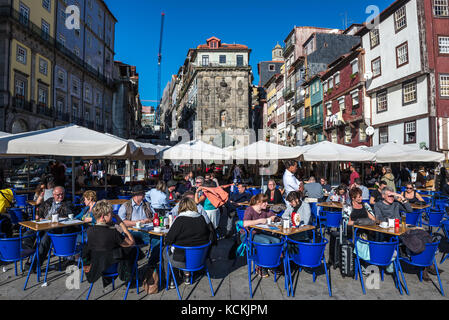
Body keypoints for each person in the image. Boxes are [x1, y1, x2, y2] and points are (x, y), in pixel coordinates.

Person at [82, 200, 136, 288]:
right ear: (103, 216)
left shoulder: (89, 231)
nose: (113, 215)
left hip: (96, 267)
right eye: (111, 214)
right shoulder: (113, 232)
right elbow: (131, 243)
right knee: (134, 250)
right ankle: (131, 278)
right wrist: (122, 226)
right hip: (112, 266)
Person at [23, 186, 77, 270]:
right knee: (28, 234)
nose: (60, 196)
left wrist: (60, 206)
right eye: (58, 195)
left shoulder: (67, 202)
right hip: (43, 224)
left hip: (56, 228)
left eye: (62, 194)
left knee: (44, 240)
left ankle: (36, 264)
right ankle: (30, 253)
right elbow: (40, 209)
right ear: (53, 194)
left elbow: (70, 213)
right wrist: (40, 217)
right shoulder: (49, 201)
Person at [163, 197, 211, 287]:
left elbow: (168, 240)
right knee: (187, 249)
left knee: (165, 251)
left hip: (181, 260)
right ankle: (187, 276)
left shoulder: (180, 220)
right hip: (200, 259)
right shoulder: (201, 218)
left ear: (181, 207)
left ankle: (171, 280)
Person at [118, 185, 160, 269]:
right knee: (129, 242)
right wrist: (138, 222)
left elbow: (155, 216)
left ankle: (151, 263)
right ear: (137, 195)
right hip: (131, 231)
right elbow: (121, 222)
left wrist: (149, 219)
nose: (144, 196)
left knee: (158, 240)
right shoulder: (125, 206)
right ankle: (132, 266)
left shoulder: (147, 204)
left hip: (146, 230)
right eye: (143, 194)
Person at [242, 194, 280, 278]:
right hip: (248, 234)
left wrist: (274, 218)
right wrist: (259, 221)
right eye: (265, 202)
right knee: (266, 242)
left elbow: (273, 215)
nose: (267, 203)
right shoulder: (250, 210)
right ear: (258, 202)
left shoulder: (264, 210)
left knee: (277, 241)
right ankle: (260, 267)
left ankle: (271, 264)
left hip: (258, 233)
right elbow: (245, 223)